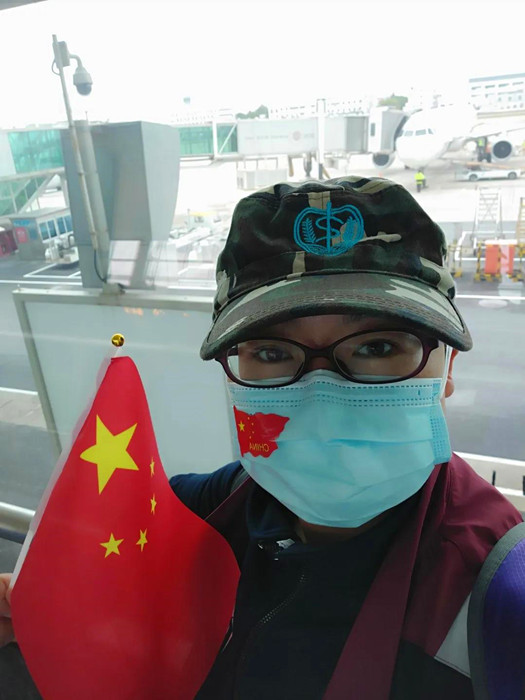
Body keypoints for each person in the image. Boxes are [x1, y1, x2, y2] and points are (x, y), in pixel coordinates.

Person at [0, 177, 522, 699]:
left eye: (379, 346)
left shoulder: (498, 602)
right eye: (271, 353)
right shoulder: (201, 512)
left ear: (447, 369)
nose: (322, 397)